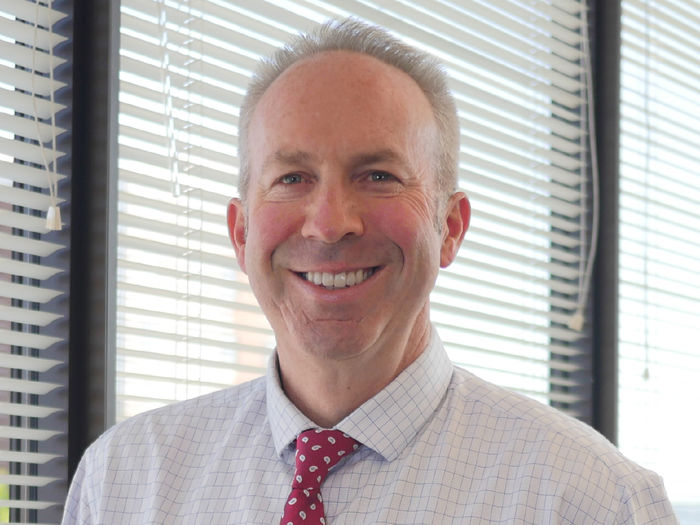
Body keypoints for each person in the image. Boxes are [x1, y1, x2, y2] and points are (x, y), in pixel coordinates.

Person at [62, 18, 677, 524]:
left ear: (450, 227)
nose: (330, 224)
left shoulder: (594, 501)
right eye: (292, 178)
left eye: (378, 176)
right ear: (241, 233)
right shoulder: (121, 483)